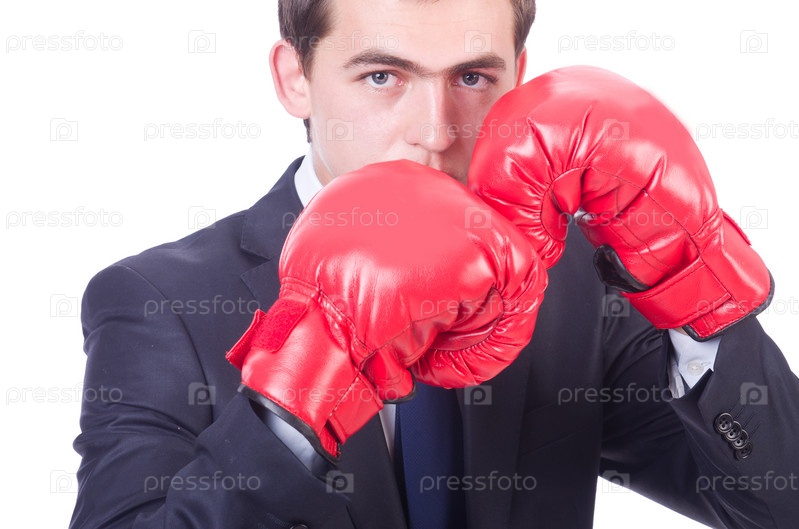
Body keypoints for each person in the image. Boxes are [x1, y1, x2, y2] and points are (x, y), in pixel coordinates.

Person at [69, 1, 799, 528]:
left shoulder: (574, 275)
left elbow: (777, 502)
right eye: (382, 76)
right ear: (294, 78)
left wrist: (693, 279)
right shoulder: (161, 300)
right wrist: (295, 399)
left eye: (472, 78)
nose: (435, 131)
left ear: (519, 79)